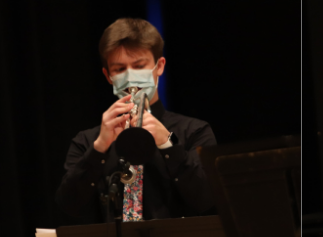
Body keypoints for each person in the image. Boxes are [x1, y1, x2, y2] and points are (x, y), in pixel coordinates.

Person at [56, 18, 216, 223]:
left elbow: (208, 198)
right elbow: (68, 205)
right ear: (108, 76)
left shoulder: (194, 131)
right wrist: (99, 149)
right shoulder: (87, 141)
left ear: (159, 66)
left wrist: (168, 142)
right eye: (120, 69)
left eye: (139, 66)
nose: (130, 76)